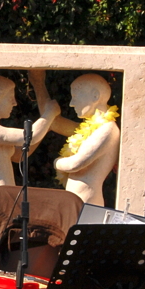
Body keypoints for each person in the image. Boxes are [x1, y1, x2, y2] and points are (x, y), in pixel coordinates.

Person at [32, 70, 120, 206]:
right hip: (76, 201)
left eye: (75, 96)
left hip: (87, 201)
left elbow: (76, 164)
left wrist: (57, 162)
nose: (72, 103)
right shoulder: (90, 129)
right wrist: (38, 84)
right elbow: (53, 122)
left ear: (95, 96)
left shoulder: (107, 129)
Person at [0, 74, 58, 198]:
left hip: (4, 193)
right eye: (10, 97)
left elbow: (18, 155)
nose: (14, 103)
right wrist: (50, 113)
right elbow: (30, 137)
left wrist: (46, 127)